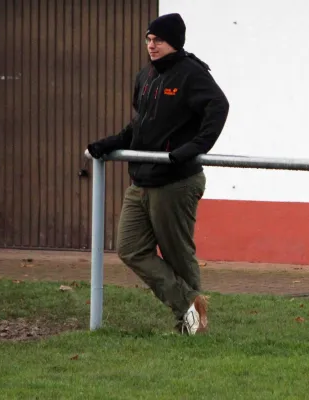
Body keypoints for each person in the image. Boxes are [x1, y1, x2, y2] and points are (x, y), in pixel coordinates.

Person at [86, 13, 229, 335]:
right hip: (142, 180)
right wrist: (111, 143)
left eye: (158, 40)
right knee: (130, 248)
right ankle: (190, 303)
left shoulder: (191, 74)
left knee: (178, 253)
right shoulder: (147, 75)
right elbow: (141, 123)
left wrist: (193, 147)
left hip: (176, 182)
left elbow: (218, 107)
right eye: (149, 40)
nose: (151, 45)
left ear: (174, 42)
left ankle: (192, 325)